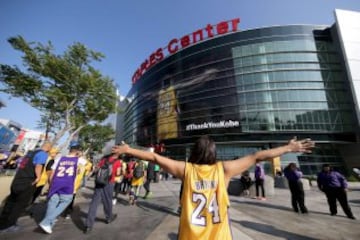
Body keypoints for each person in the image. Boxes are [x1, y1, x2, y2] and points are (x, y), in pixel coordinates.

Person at [115, 135, 314, 240]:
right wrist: (288, 148)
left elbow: (154, 157)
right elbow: (258, 156)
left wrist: (128, 149)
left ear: (195, 151)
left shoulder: (186, 170)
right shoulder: (225, 169)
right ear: (213, 151)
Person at [0, 142, 52, 232]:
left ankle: (2, 221)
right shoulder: (43, 154)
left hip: (18, 180)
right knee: (20, 204)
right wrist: (38, 177)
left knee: (11, 201)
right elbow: (38, 166)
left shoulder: (30, 153)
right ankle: (9, 225)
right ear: (48, 148)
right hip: (28, 182)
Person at [38, 143, 85, 234]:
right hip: (67, 185)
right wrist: (80, 155)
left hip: (56, 183)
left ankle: (48, 225)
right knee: (65, 201)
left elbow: (52, 172)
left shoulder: (59, 158)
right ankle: (47, 222)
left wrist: (51, 184)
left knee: (52, 203)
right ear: (78, 151)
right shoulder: (79, 160)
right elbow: (81, 170)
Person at [84, 145, 122, 234]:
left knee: (94, 203)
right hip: (109, 183)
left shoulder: (104, 158)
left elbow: (97, 169)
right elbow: (118, 173)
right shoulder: (118, 161)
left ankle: (88, 225)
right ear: (118, 153)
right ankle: (109, 217)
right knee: (108, 201)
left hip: (99, 182)